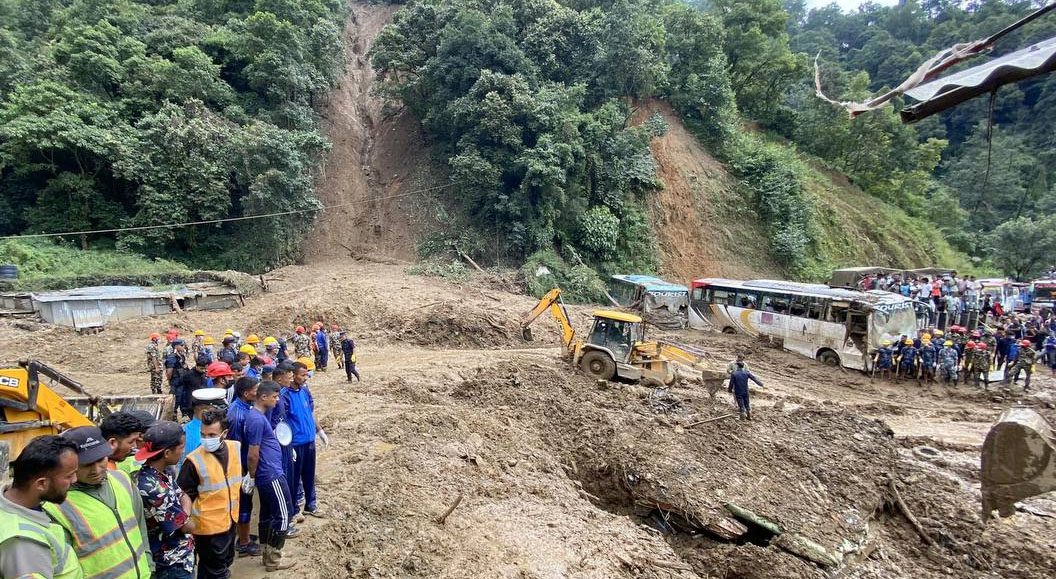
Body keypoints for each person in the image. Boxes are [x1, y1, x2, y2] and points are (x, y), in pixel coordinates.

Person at [45, 426, 152, 579]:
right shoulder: (56, 506)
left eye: (100, 460)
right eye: (86, 464)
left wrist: (149, 565)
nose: (96, 470)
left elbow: (140, 528)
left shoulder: (122, 480)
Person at [1, 435, 82, 579]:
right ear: (41, 484)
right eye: (69, 476)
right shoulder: (23, 543)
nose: (75, 480)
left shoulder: (14, 502)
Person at [177, 408, 242, 579]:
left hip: (230, 521)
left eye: (212, 435)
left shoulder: (235, 448)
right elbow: (183, 495)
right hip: (208, 529)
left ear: (224, 433)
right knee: (216, 571)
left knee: (223, 564)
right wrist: (186, 523)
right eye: (203, 435)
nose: (206, 439)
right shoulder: (193, 461)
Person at [245, 381, 296, 571]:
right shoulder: (257, 420)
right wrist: (251, 475)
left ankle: (268, 552)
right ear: (264, 397)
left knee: (267, 514)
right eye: (274, 397)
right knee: (284, 513)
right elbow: (253, 453)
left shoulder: (258, 415)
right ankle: (275, 557)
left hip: (268, 472)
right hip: (270, 473)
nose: (277, 400)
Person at [136, 421, 195, 579]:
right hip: (171, 563)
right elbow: (188, 527)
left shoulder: (161, 473)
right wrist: (186, 517)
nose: (183, 452)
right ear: (167, 453)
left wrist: (182, 514)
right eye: (181, 447)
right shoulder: (154, 489)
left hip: (179, 558)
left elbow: (183, 496)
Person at [284, 361, 329, 519]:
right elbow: (282, 423)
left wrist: (319, 430)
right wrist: (287, 446)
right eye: (302, 375)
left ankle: (311, 505)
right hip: (296, 444)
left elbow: (310, 412)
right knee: (294, 479)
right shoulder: (285, 396)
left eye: (306, 375)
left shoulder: (305, 392)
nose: (305, 378)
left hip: (309, 441)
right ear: (293, 376)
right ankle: (294, 510)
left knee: (309, 476)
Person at [226, 378, 262, 558]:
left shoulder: (242, 407)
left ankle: (244, 534)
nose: (258, 392)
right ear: (247, 393)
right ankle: (244, 543)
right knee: (244, 503)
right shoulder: (238, 415)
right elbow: (238, 445)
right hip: (240, 465)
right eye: (256, 390)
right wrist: (247, 471)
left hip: (242, 463)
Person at [182, 387, 229, 462]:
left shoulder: (185, 428)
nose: (221, 412)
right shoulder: (205, 438)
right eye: (218, 409)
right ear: (204, 411)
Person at [166, 339, 189, 417]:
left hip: (182, 381)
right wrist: (170, 381)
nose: (183, 347)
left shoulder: (181, 355)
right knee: (175, 400)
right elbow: (169, 371)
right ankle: (174, 415)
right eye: (182, 345)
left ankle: (184, 414)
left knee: (184, 399)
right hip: (176, 382)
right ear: (176, 346)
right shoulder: (172, 357)